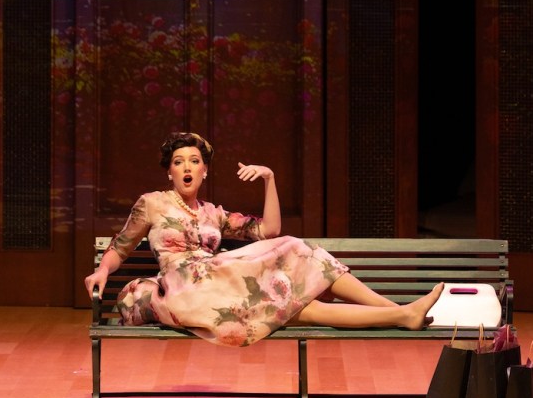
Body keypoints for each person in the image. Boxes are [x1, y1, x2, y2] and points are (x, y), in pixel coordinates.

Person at [84, 131, 444, 348]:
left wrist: (270, 179)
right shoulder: (152, 203)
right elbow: (121, 246)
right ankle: (401, 312)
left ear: (205, 171)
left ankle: (401, 312)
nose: (187, 167)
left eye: (194, 161)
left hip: (220, 285)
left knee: (298, 289)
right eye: (179, 162)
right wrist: (102, 271)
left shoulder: (214, 213)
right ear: (170, 171)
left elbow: (268, 230)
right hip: (184, 290)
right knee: (291, 277)